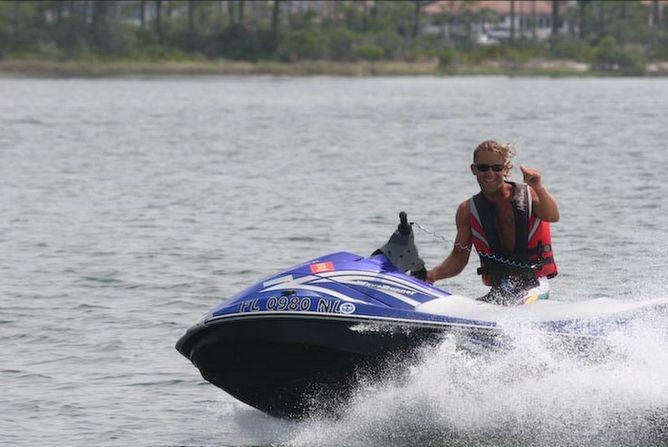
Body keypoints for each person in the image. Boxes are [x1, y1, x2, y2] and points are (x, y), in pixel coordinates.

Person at [426, 140, 560, 305]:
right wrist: (431, 276)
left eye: (496, 168)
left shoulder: (529, 195)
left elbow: (553, 216)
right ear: (474, 169)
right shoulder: (467, 210)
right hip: (501, 289)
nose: (490, 174)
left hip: (536, 283)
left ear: (505, 169)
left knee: (515, 305)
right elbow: (458, 258)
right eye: (483, 168)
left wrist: (538, 187)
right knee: (477, 309)